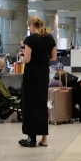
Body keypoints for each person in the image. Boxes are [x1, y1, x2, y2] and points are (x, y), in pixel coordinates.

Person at [18, 15, 56, 148]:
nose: (29, 28)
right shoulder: (49, 37)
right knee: (42, 103)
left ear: (32, 25)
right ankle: (44, 138)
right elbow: (53, 57)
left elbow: (27, 59)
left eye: (29, 25)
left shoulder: (30, 39)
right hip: (43, 75)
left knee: (30, 105)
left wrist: (22, 56)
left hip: (31, 75)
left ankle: (31, 138)